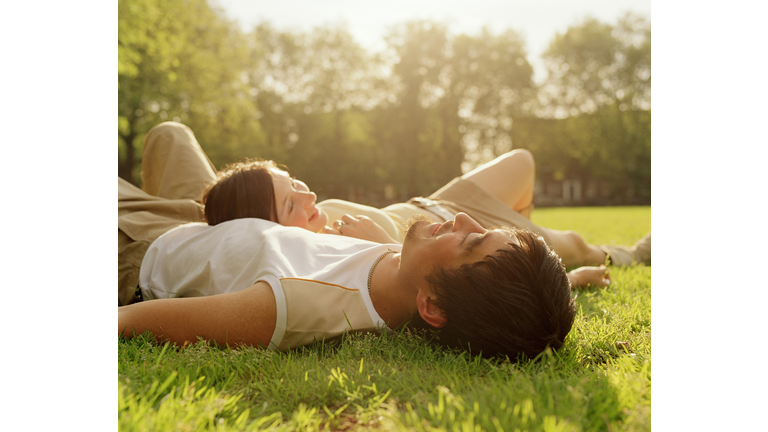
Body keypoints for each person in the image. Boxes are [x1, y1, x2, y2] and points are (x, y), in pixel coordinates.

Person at [118, 121, 648, 304]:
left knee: (523, 163)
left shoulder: (296, 216)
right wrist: (568, 279)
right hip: (442, 226)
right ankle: (631, 252)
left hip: (432, 203)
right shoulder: (309, 250)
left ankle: (525, 234)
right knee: (572, 244)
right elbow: (413, 293)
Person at [121, 210, 576, 360]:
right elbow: (510, 304)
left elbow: (129, 321)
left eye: (471, 240)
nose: (462, 218)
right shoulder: (406, 272)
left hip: (139, 250)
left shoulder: (295, 303)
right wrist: (570, 281)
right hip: (197, 218)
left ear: (432, 305)